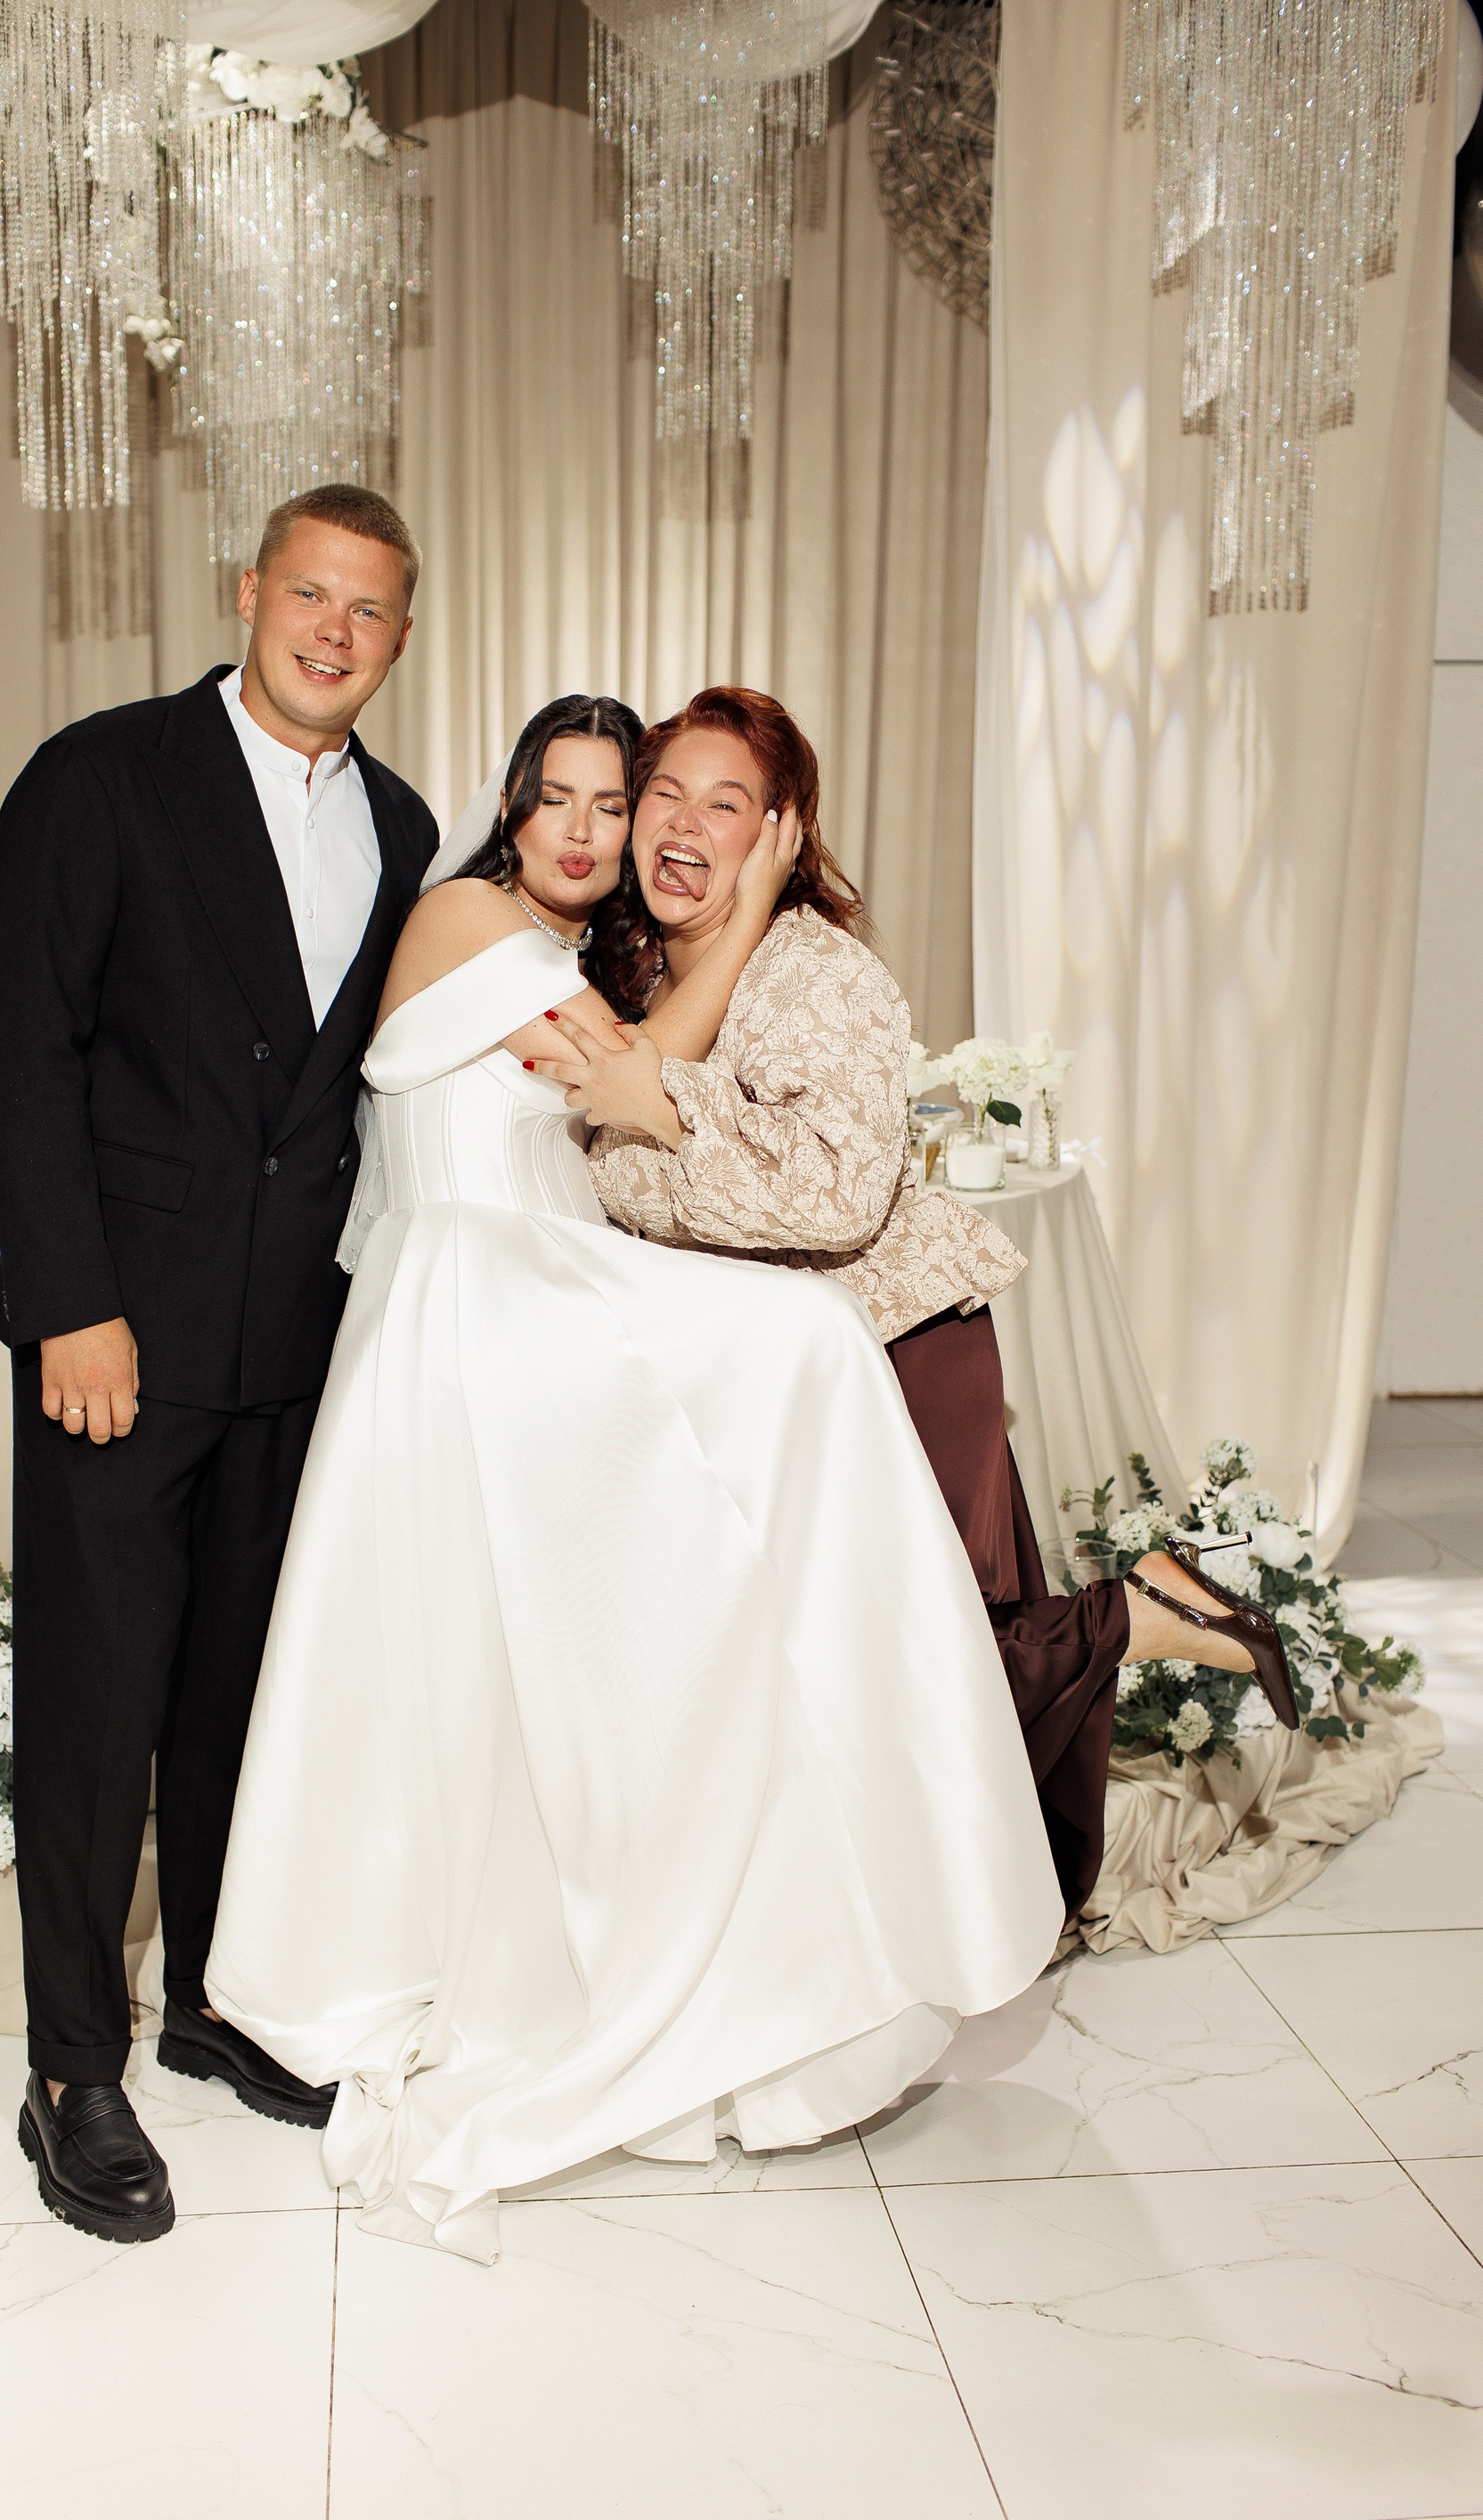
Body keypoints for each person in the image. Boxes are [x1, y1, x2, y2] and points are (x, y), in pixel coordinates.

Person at [204, 694, 1065, 2263]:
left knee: (709, 1605)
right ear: (514, 808)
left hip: (574, 1298)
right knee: (782, 1400)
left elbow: (661, 1113)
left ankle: (787, 1921)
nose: (606, 829)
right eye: (582, 797)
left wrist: (742, 928)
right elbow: (622, 1079)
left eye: (632, 802)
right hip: (486, 1297)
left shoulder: (640, 958)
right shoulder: (472, 922)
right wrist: (744, 921)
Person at [547, 687, 1297, 1918]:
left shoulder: (820, 976)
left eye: (724, 804)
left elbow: (837, 1199)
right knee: (811, 1664)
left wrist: (665, 1116)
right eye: (663, 794)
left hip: (896, 1352)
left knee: (906, 1664)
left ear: (780, 834)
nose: (682, 824)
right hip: (773, 1371)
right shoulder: (623, 965)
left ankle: (1141, 1617)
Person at [0, 485, 437, 2244]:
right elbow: (22, 1049)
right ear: (249, 592)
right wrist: (67, 1300)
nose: (333, 630)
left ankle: (213, 2006)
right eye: (309, 593)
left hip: (294, 1342)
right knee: (97, 1706)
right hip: (122, 1333)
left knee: (241, 1694)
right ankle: (70, 2068)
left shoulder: (404, 826)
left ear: (402, 640)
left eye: (368, 610)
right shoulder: (99, 777)